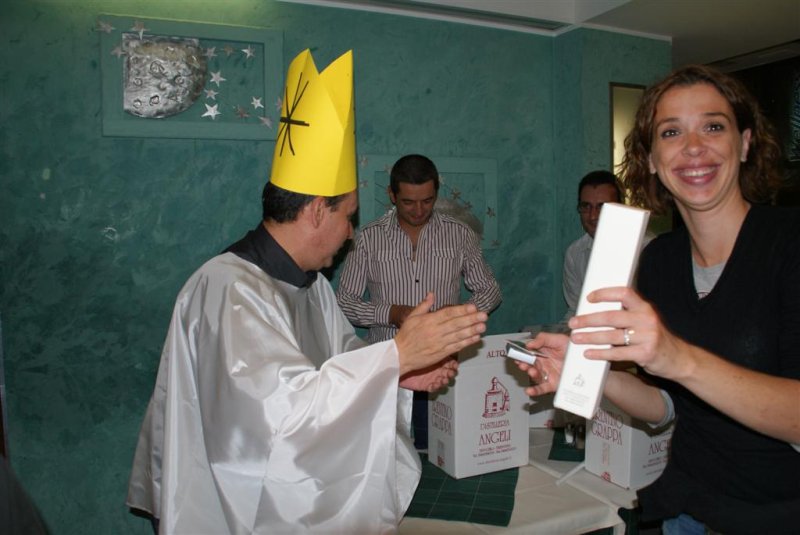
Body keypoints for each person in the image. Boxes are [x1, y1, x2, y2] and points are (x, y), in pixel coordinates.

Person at [125, 49, 488, 534]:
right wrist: (396, 356)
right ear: (317, 211)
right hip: (229, 506)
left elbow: (341, 359)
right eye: (348, 217)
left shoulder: (312, 285)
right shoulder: (227, 290)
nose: (352, 233)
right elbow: (281, 417)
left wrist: (398, 376)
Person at [517, 64, 800, 535]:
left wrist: (676, 356)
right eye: (671, 132)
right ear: (650, 159)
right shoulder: (661, 260)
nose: (693, 147)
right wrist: (592, 373)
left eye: (713, 126)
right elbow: (666, 406)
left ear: (746, 143)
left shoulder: (789, 244)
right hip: (687, 509)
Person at [336, 154, 502, 446]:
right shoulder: (368, 239)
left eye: (427, 201)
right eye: (408, 202)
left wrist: (458, 313)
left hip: (440, 364)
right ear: (392, 195)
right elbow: (345, 302)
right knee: (384, 449)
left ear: (436, 193)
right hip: (387, 362)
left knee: (437, 448)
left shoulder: (459, 234)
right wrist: (392, 313)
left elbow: (490, 291)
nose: (418, 210)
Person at [562, 171, 623, 320]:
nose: (593, 216)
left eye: (602, 207)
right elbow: (576, 311)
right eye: (586, 206)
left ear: (621, 207)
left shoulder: (648, 250)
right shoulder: (575, 253)